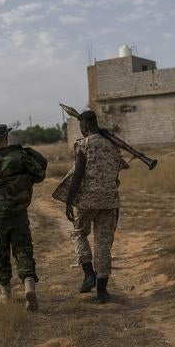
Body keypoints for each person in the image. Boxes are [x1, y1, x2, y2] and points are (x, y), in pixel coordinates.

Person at [57, 111, 128, 303]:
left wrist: (69, 202)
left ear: (84, 127)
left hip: (87, 201)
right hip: (109, 201)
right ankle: (102, 291)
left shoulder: (83, 144)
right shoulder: (114, 145)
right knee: (103, 243)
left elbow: (78, 175)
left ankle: (88, 273)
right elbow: (118, 169)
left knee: (78, 233)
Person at [0, 124, 47, 312]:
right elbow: (39, 174)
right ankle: (29, 287)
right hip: (19, 215)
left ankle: (5, 293)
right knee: (23, 250)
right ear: (7, 136)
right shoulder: (21, 155)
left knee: (1, 253)